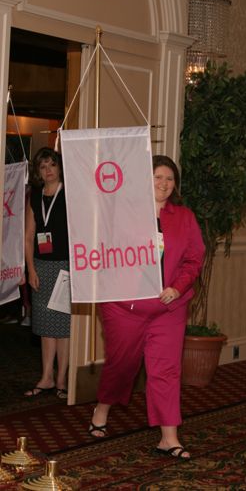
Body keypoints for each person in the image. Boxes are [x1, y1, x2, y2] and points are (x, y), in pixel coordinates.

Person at [89, 155, 205, 460]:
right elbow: (102, 250)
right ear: (145, 180)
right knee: (122, 364)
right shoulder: (123, 213)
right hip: (124, 306)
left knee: (166, 370)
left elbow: (194, 258)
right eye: (157, 177)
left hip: (169, 307)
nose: (163, 184)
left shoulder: (184, 217)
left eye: (169, 179)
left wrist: (177, 286)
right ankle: (103, 407)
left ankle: (169, 437)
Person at [24, 147, 70, 400]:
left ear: (60, 167)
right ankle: (46, 377)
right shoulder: (35, 195)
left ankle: (62, 378)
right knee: (44, 326)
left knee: (63, 326)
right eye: (43, 166)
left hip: (67, 266)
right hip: (41, 266)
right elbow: (29, 236)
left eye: (52, 164)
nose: (48, 170)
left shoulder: (70, 193)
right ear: (38, 172)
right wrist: (30, 268)